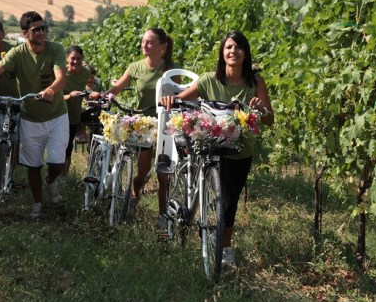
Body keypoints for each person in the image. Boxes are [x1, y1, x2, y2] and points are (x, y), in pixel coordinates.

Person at [161, 30, 274, 267]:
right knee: (223, 200)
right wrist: (171, 100)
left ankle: (223, 244)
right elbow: (183, 98)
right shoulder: (208, 80)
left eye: (238, 47)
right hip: (212, 147)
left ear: (245, 53)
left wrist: (260, 110)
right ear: (222, 53)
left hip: (240, 150)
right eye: (229, 47)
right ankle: (221, 244)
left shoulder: (255, 82)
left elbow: (269, 119)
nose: (234, 51)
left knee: (230, 202)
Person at [0, 11, 68, 219]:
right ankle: (37, 204)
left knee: (57, 164)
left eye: (44, 28)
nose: (42, 33)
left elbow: (61, 77)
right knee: (33, 165)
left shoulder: (55, 49)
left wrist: (50, 90)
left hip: (57, 116)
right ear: (25, 33)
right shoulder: (17, 53)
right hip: (29, 118)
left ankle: (50, 181)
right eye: (36, 30)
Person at [91, 28, 176, 227]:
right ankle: (135, 192)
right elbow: (116, 88)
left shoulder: (170, 70)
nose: (144, 45)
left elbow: (178, 96)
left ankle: (162, 217)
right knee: (143, 174)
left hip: (165, 125)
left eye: (149, 42)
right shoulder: (135, 67)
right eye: (143, 41)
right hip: (144, 126)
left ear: (161, 46)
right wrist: (102, 95)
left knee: (163, 176)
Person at [62, 45, 90, 176]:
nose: (75, 61)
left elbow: (83, 90)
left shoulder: (86, 73)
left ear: (82, 58)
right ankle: (54, 174)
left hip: (74, 116)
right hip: (59, 115)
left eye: (78, 58)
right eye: (73, 58)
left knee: (68, 146)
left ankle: (64, 176)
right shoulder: (61, 73)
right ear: (67, 58)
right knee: (60, 145)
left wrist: (89, 96)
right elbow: (54, 95)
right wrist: (69, 96)